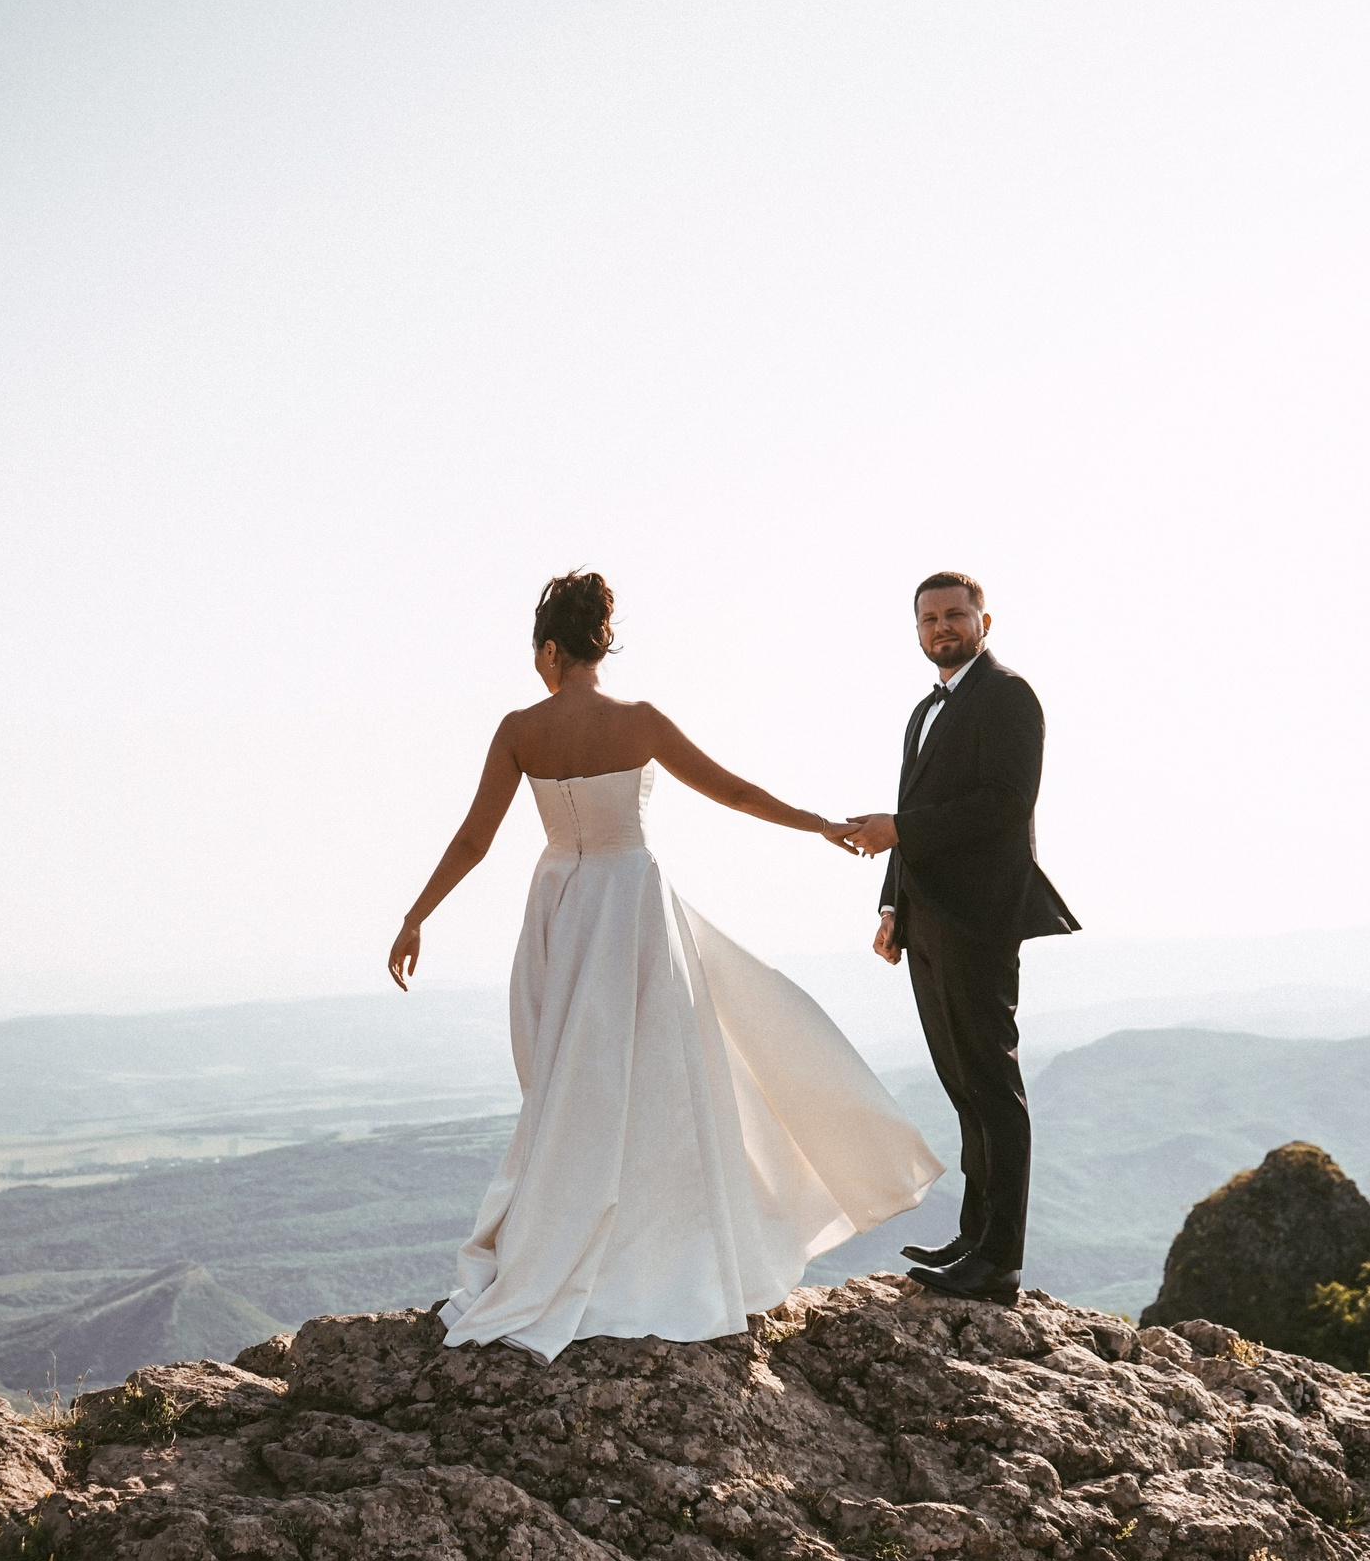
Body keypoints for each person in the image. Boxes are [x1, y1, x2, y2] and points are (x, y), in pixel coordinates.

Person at [388, 571, 943, 1361]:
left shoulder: (520, 727)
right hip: (633, 903)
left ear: (549, 648)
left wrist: (416, 916)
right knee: (656, 1078)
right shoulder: (640, 719)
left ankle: (566, 1238)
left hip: (560, 905)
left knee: (566, 1082)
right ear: (601, 643)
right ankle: (664, 1253)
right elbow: (736, 791)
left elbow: (474, 839)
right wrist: (819, 823)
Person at [844, 572, 1079, 1307]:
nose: (942, 627)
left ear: (984, 619)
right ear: (917, 629)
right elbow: (913, 809)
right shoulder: (924, 710)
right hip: (929, 919)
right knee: (962, 1085)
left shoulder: (1008, 695)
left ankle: (998, 1260)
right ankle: (974, 1235)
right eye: (930, 618)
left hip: (980, 916)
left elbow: (1005, 804)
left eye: (955, 615)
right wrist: (893, 906)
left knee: (992, 1085)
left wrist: (901, 832)